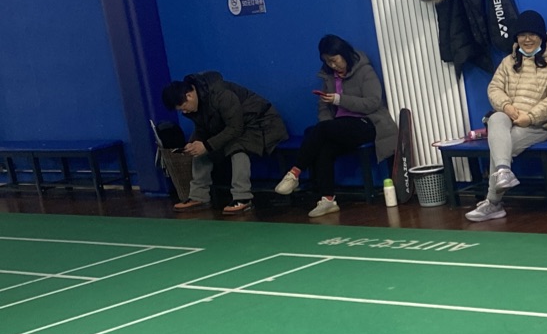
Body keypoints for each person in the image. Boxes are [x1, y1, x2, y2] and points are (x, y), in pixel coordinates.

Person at [275, 35, 396, 217]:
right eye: (327, 62)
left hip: (368, 123)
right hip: (340, 126)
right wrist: (328, 123)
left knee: (321, 131)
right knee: (322, 143)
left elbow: (372, 103)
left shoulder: (365, 71)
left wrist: (339, 100)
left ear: (344, 54)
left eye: (334, 60)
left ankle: (294, 172)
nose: (332, 65)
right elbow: (323, 108)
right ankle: (328, 200)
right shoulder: (329, 77)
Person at [468, 11, 547, 222]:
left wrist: (530, 117)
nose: (527, 39)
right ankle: (504, 172)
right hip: (508, 119)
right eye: (522, 35)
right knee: (496, 118)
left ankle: (493, 202)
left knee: (500, 146)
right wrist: (507, 106)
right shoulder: (508, 62)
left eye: (532, 34)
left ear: (541, 37)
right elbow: (494, 88)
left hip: (538, 126)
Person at [161, 70, 287, 213]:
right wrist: (195, 143)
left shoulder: (221, 95)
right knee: (198, 151)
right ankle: (198, 196)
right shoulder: (197, 103)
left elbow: (235, 128)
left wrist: (207, 145)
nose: (184, 112)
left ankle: (242, 197)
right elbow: (203, 128)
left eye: (183, 108)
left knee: (237, 148)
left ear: (189, 96)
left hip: (262, 123)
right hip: (238, 126)